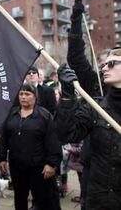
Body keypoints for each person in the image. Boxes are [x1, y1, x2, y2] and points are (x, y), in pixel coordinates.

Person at [56, 50, 121, 209]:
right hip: (99, 200)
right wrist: (66, 95)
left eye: (111, 64)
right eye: (104, 65)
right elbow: (67, 133)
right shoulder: (96, 108)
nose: (104, 68)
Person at [0, 83, 62, 210]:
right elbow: (4, 137)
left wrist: (52, 163)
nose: (23, 97)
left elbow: (53, 141)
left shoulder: (44, 116)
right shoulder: (12, 114)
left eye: (27, 94)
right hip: (17, 165)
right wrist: (1, 157)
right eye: (21, 94)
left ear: (35, 96)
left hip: (39, 166)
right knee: (20, 197)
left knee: (43, 199)